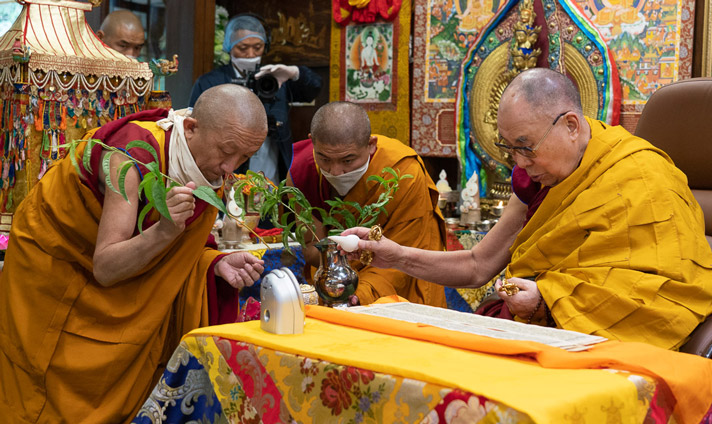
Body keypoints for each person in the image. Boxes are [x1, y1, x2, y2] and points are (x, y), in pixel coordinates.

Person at [343, 68, 712, 350]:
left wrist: (547, 299)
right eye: (510, 148)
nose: (518, 163)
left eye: (526, 146)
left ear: (571, 125)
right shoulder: (537, 181)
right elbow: (478, 265)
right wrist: (395, 255)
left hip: (612, 340)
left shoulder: (643, 176)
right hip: (547, 331)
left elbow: (668, 291)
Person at [0, 84, 267, 423]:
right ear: (190, 128)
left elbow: (185, 247)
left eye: (245, 157)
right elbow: (106, 266)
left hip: (123, 287)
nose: (231, 167)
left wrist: (214, 263)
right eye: (227, 151)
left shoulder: (203, 166)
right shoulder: (129, 157)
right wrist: (167, 230)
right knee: (45, 393)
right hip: (54, 274)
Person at [288, 101, 447, 307]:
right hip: (334, 286)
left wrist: (359, 293)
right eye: (324, 158)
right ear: (312, 143)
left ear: (371, 145)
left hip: (393, 288)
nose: (335, 171)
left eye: (347, 160)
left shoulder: (403, 173)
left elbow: (405, 253)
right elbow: (311, 247)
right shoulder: (303, 170)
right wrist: (337, 283)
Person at [189, 14, 322, 185]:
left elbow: (314, 88)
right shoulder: (210, 81)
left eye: (257, 47)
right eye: (243, 48)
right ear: (229, 47)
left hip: (271, 161)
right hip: (229, 167)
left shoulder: (273, 78)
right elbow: (194, 124)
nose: (250, 54)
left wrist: (294, 72)